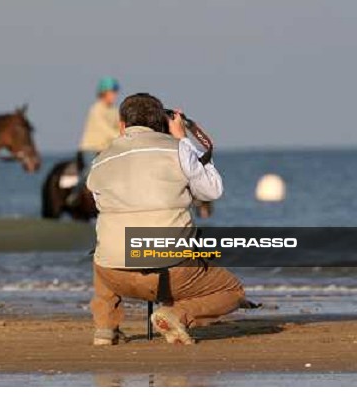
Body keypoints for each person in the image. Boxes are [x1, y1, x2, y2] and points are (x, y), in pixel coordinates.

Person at [86, 92, 245, 346]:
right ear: (164, 122)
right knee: (232, 291)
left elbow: (100, 205)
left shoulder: (99, 160)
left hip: (115, 274)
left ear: (122, 125)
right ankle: (175, 314)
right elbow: (212, 190)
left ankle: (105, 329)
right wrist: (183, 138)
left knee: (102, 249)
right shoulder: (178, 149)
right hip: (170, 272)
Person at [68, 76, 121, 203]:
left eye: (115, 92)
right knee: (90, 171)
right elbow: (106, 129)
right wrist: (121, 137)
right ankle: (74, 194)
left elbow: (120, 126)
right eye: (112, 92)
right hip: (90, 149)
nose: (115, 95)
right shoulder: (96, 109)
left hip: (107, 150)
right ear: (104, 93)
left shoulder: (115, 111)